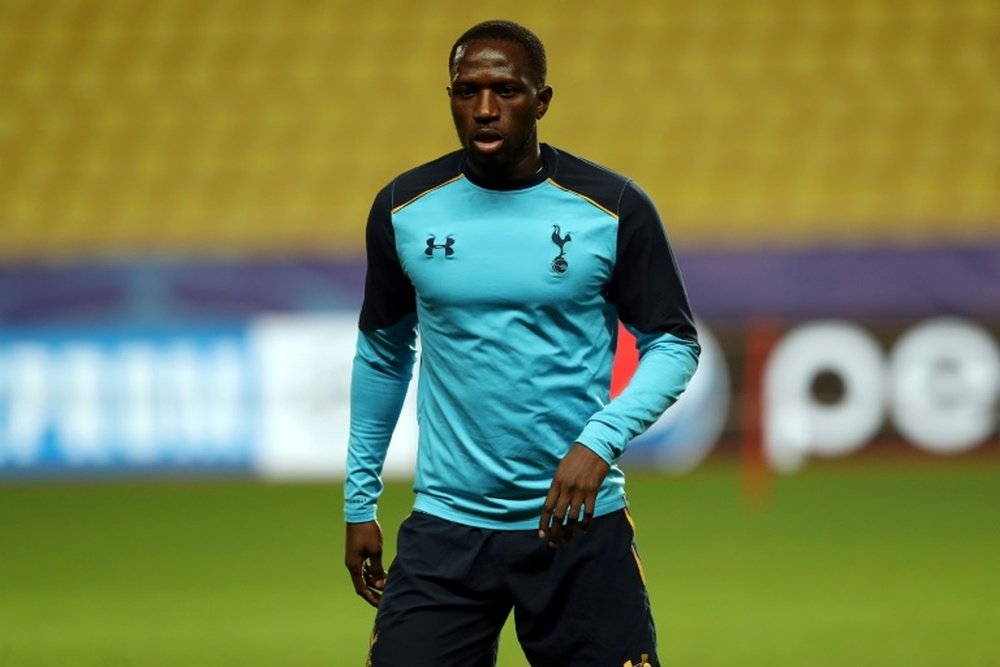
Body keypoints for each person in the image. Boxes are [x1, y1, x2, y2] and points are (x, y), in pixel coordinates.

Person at [344, 19, 699, 667]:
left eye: (505, 90)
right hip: (447, 530)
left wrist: (600, 439)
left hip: (577, 529)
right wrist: (359, 499)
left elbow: (674, 343)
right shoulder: (404, 208)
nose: (484, 108)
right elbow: (383, 353)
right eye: (466, 90)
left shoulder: (613, 206)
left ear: (541, 100)